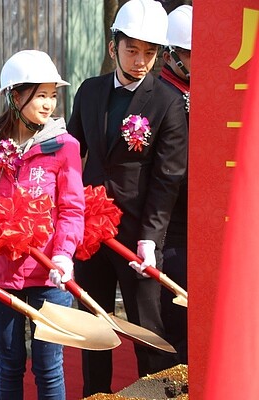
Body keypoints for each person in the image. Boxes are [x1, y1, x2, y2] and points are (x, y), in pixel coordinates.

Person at [66, 0, 186, 395]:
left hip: (137, 235)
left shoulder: (167, 101)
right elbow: (71, 156)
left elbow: (168, 177)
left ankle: (156, 394)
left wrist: (151, 238)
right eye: (132, 50)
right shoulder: (89, 91)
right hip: (89, 232)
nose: (141, 61)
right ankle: (95, 395)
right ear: (113, 45)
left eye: (150, 53)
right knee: (93, 324)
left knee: (147, 327)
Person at [0, 49, 85, 400]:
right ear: (14, 96)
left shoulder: (64, 146)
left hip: (49, 274)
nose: (49, 104)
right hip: (1, 274)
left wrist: (65, 255)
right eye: (41, 95)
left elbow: (71, 208)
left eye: (53, 95)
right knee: (8, 361)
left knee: (49, 364)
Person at [158, 4, 192, 365]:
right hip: (171, 221)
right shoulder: (159, 94)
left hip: (207, 213)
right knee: (176, 317)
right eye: (189, 54)